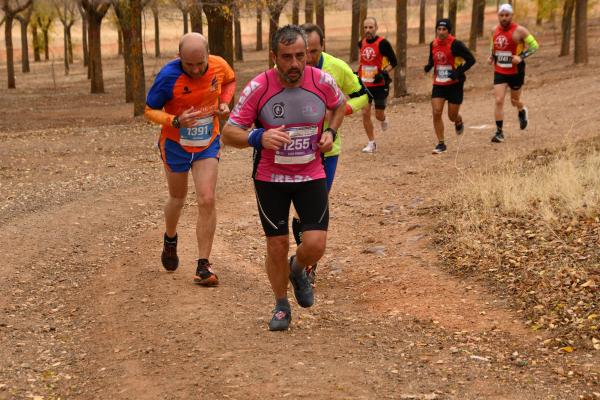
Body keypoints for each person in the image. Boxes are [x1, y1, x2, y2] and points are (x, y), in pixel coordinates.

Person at [222, 25, 346, 331]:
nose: (294, 64)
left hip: (310, 172)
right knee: (276, 244)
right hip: (270, 178)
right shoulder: (259, 87)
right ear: (273, 56)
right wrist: (258, 137)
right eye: (287, 57)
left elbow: (339, 105)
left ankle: (298, 268)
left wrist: (330, 131)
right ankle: (280, 305)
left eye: (300, 56)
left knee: (315, 244)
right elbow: (228, 132)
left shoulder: (322, 81)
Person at [144, 33, 235, 286]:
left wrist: (225, 103)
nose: (195, 70)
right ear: (178, 57)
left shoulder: (219, 65)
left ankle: (203, 265)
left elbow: (230, 81)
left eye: (200, 63)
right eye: (188, 65)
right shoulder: (167, 77)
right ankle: (170, 238)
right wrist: (174, 120)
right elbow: (149, 110)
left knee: (207, 198)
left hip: (207, 141)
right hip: (175, 144)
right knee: (178, 197)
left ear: (208, 55)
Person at [294, 22, 369, 284]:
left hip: (328, 150)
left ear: (322, 46)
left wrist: (341, 111)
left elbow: (362, 95)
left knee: (316, 205)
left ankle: (307, 265)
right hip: (296, 150)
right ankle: (303, 253)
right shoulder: (289, 68)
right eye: (306, 52)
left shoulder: (337, 68)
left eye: (314, 51)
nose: (310, 58)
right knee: (301, 209)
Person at [424, 19, 476, 154]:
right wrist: (429, 66)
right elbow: (433, 58)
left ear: (449, 31)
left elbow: (471, 60)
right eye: (439, 29)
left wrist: (458, 72)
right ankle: (441, 144)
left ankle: (458, 120)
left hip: (455, 85)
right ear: (436, 30)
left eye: (444, 29)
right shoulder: (433, 44)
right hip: (439, 83)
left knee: (451, 116)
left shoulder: (456, 44)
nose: (441, 32)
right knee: (436, 112)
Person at [489, 3, 539, 143]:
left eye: (507, 15)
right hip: (500, 70)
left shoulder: (520, 31)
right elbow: (494, 45)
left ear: (511, 15)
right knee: (499, 100)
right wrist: (491, 56)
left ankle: (521, 109)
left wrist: (521, 56)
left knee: (514, 101)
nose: (504, 18)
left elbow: (535, 46)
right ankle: (499, 133)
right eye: (501, 15)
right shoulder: (494, 30)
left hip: (516, 71)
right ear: (498, 16)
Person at [358, 17, 397, 153]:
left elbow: (394, 62)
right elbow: (362, 61)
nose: (368, 30)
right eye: (365, 28)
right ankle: (371, 142)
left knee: (378, 115)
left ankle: (384, 119)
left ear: (376, 28)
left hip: (380, 85)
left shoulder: (383, 43)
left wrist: (383, 73)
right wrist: (358, 73)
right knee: (365, 113)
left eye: (370, 27)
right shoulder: (361, 43)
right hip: (365, 85)